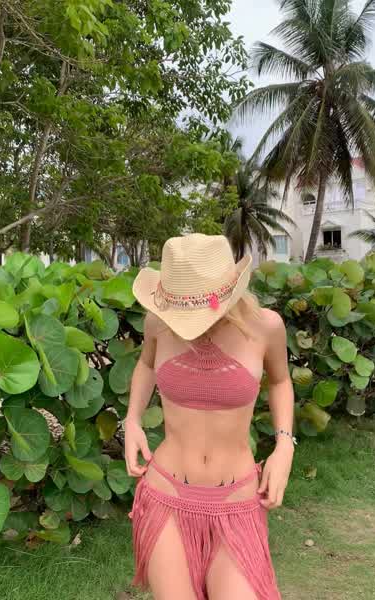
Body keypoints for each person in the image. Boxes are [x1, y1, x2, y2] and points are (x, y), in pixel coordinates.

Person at [124, 233, 295, 600]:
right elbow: (146, 365)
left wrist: (284, 445)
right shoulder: (158, 323)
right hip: (165, 491)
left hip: (237, 499)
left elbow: (280, 381)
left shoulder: (266, 327)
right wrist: (132, 420)